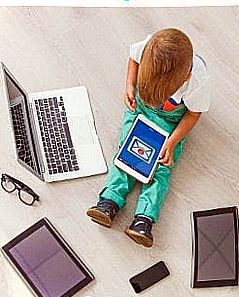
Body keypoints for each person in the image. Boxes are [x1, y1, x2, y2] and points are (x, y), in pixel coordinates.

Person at [87, 28, 210, 248]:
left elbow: (193, 114)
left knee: (160, 166)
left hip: (170, 123)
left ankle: (144, 218)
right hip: (140, 108)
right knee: (127, 153)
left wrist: (172, 142)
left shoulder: (197, 80)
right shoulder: (150, 48)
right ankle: (110, 200)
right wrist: (129, 86)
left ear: (186, 78)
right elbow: (133, 60)